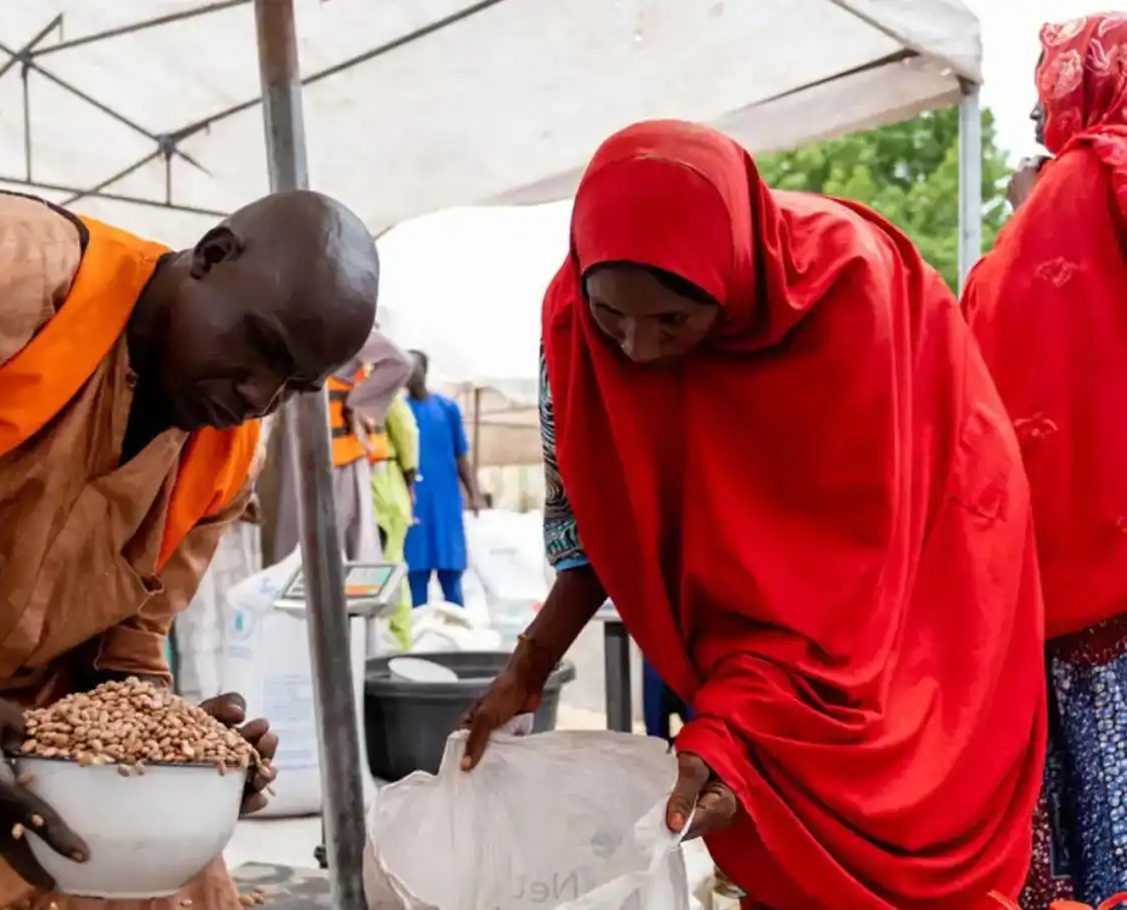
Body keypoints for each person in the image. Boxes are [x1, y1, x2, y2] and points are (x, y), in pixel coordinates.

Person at [460, 120, 1046, 909]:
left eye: (674, 320)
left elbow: (848, 579)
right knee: (761, 825)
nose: (636, 348)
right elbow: (596, 526)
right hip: (758, 666)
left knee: (915, 833)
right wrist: (528, 669)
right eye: (614, 316)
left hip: (923, 607)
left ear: (734, 275)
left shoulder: (848, 294)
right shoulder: (571, 324)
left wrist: (736, 729)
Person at [0, 182, 379, 910]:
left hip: (26, 727)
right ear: (212, 255)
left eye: (292, 386)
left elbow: (125, 654)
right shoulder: (2, 263)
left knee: (185, 889)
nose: (257, 397)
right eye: (260, 348)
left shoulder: (227, 457)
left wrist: (173, 748)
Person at [961, 14, 1127, 908]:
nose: (1039, 125)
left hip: (1086, 598)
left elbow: (982, 369)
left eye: (1042, 108)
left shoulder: (1078, 190)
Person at [263, 328, 410, 564]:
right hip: (317, 457)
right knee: (322, 554)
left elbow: (399, 362)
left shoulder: (336, 323)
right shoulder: (329, 320)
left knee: (314, 553)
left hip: (330, 459)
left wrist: (357, 405)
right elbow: (398, 362)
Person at [403, 350, 482, 606]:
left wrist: (474, 494)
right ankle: (419, 638)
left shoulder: (448, 409)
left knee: (451, 573)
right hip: (413, 502)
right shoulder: (400, 412)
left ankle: (457, 635)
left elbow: (461, 456)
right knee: (416, 574)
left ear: (424, 371)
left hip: (445, 501)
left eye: (413, 368)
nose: (409, 374)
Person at [371, 390, 420, 648]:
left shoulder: (381, 381)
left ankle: (400, 644)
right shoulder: (369, 379)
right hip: (379, 486)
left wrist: (409, 480)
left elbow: (407, 432)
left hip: (383, 487)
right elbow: (407, 432)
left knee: (390, 569)